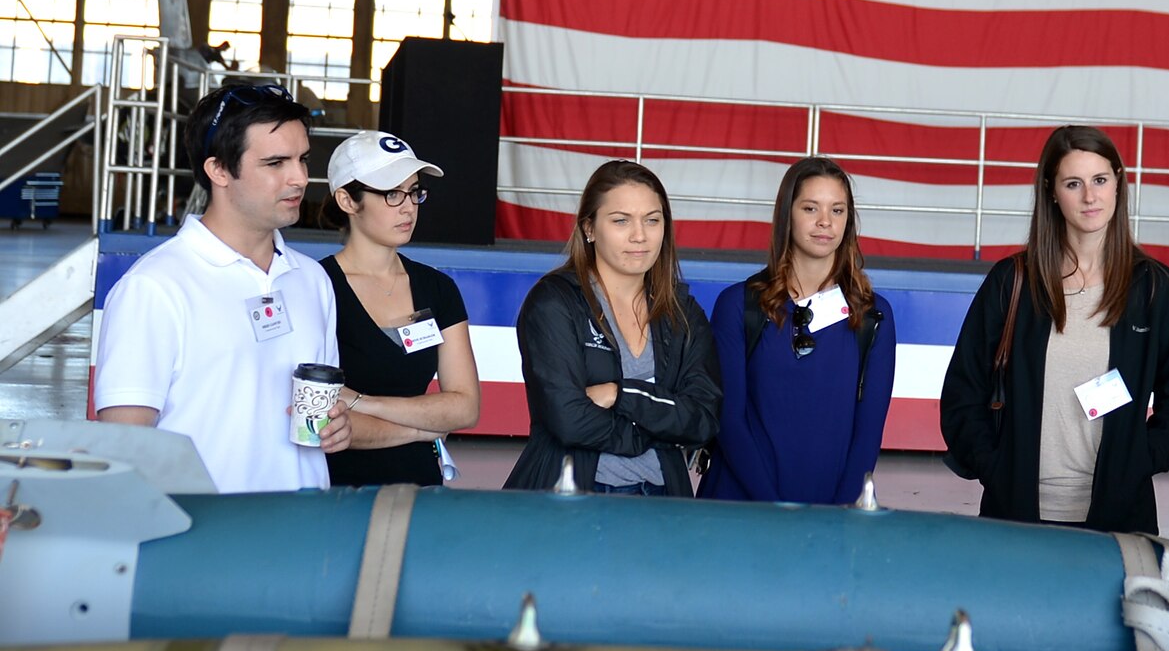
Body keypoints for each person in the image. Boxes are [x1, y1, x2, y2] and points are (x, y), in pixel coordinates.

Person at [939, 125, 1169, 533]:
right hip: (1017, 515)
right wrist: (997, 468)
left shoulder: (1154, 287)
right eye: (1073, 183)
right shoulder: (1012, 282)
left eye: (1100, 180)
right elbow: (962, 392)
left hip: (1119, 519)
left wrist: (1138, 462)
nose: (1090, 196)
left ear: (1118, 182)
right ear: (1051, 191)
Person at [96, 82, 356, 491]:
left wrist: (339, 426)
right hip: (202, 538)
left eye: (303, 159)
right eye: (275, 163)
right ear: (218, 170)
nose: (300, 178)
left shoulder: (312, 280)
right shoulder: (156, 287)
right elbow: (124, 447)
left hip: (303, 532)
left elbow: (316, 406)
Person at [503, 160, 721, 494]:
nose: (639, 235)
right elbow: (569, 421)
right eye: (621, 221)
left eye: (652, 220)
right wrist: (655, 432)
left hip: (662, 502)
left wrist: (621, 395)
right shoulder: (554, 303)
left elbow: (703, 418)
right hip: (570, 503)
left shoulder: (682, 311)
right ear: (589, 228)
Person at [699, 158, 897, 504]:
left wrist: (833, 516)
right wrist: (775, 510)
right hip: (740, 507)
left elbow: (867, 435)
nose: (825, 222)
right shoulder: (737, 305)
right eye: (810, 208)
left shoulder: (873, 316)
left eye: (837, 210)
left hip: (827, 513)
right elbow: (729, 421)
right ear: (786, 214)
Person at [319, 131, 480, 487]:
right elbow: (325, 424)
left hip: (419, 487)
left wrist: (364, 403)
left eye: (414, 191)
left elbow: (465, 407)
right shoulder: (317, 287)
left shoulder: (438, 288)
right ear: (347, 200)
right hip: (336, 494)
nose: (409, 206)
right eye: (392, 193)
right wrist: (422, 429)